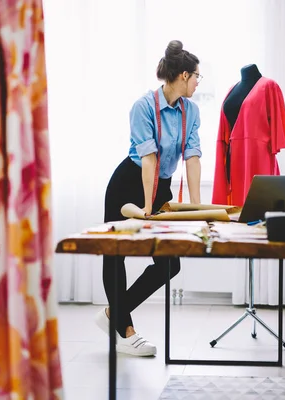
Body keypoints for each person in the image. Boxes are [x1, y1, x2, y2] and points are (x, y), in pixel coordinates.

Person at [94, 40, 203, 356]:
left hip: (161, 187)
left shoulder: (191, 111)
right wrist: (144, 205)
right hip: (129, 183)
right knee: (116, 254)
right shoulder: (143, 107)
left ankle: (115, 313)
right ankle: (125, 330)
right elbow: (149, 159)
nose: (198, 82)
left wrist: (196, 208)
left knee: (169, 265)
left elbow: (192, 157)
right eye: (196, 76)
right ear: (183, 75)